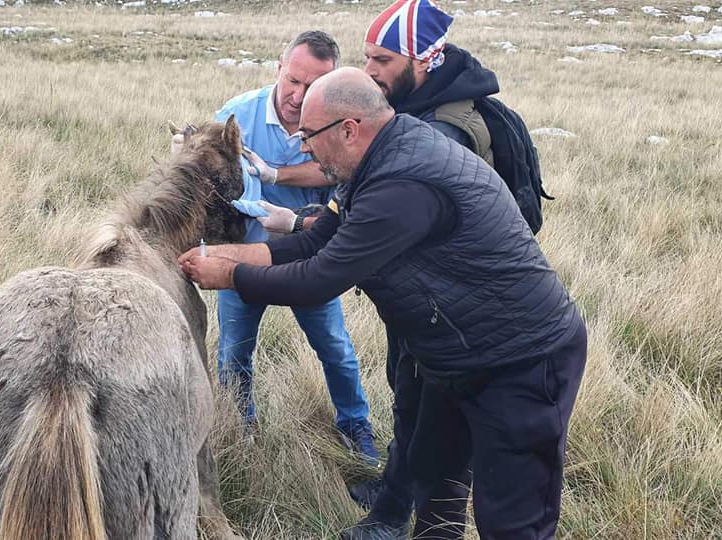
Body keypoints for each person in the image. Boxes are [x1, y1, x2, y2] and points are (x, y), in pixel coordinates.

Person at [177, 67, 587, 540]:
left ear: (349, 130)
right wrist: (226, 254)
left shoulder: (402, 186)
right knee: (435, 480)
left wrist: (230, 275)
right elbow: (314, 244)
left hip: (521, 361)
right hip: (453, 356)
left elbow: (319, 279)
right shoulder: (371, 163)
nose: (302, 147)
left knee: (514, 519)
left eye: (309, 136)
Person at [210, 30, 379, 466]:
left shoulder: (337, 121)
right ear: (278, 69)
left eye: (313, 86)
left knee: (335, 349)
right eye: (293, 81)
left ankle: (355, 425)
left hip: (312, 259)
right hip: (244, 259)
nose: (298, 95)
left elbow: (336, 172)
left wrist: (277, 176)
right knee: (234, 353)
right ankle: (238, 430)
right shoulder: (235, 117)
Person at [251, 0, 499, 237]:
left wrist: (297, 223)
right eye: (367, 58)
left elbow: (380, 222)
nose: (369, 70)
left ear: (423, 61)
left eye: (382, 60)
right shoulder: (399, 102)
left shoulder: (442, 131)